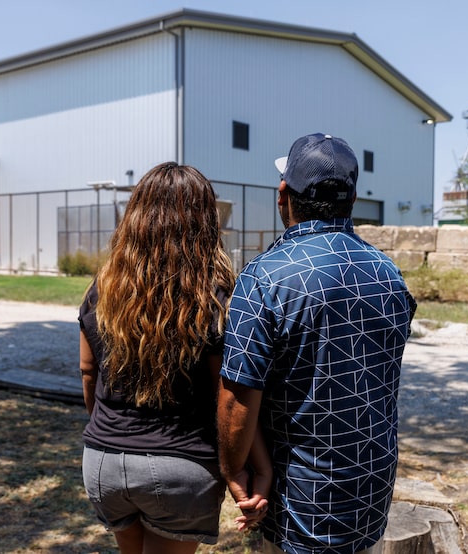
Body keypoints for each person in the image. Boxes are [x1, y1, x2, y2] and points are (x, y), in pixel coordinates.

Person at [217, 133, 418, 554]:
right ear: (352, 199)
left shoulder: (265, 277)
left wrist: (232, 468)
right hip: (371, 489)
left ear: (283, 195)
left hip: (300, 500)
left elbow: (238, 397)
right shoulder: (389, 275)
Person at [78, 162, 255, 554]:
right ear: (205, 221)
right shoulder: (216, 297)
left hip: (102, 461)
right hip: (180, 469)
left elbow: (88, 372)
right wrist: (236, 468)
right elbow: (227, 394)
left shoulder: (102, 289)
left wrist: (106, 429)